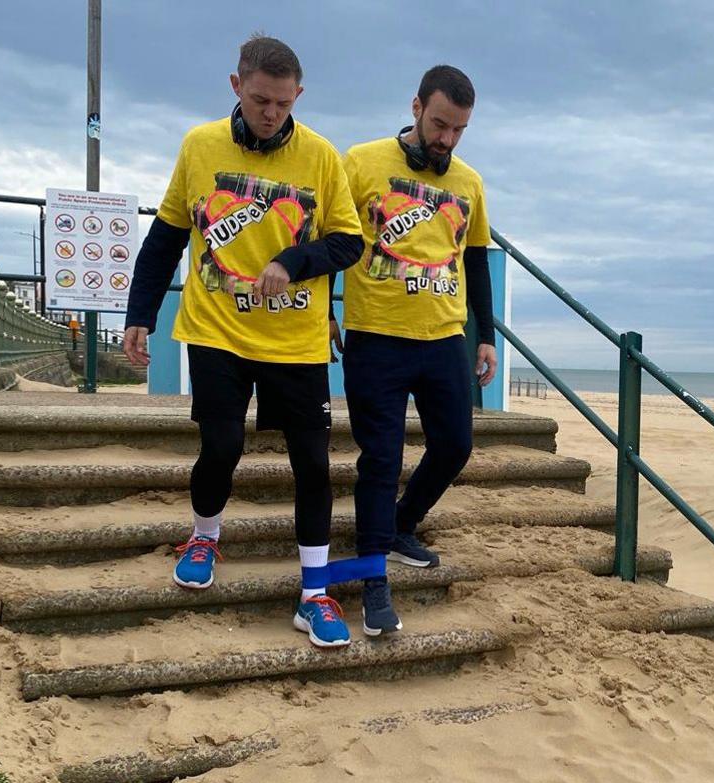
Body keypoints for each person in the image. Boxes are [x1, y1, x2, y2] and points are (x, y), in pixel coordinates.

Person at [122, 34, 366, 648]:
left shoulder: (320, 156)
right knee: (223, 444)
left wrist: (295, 259)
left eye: (283, 104)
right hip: (217, 330)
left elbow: (349, 242)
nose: (271, 114)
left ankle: (314, 593)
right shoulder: (199, 146)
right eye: (260, 100)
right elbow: (165, 239)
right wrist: (139, 314)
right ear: (236, 86)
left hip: (296, 340)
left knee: (313, 464)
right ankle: (205, 534)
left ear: (298, 96)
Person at [338, 65, 497, 638]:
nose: (447, 140)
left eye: (458, 131)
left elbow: (475, 260)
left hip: (444, 337)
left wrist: (486, 335)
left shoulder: (470, 184)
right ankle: (372, 580)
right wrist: (323, 311)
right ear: (415, 108)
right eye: (439, 125)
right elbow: (328, 239)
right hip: (377, 337)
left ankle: (403, 525)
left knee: (455, 445)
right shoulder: (361, 161)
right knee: (380, 459)